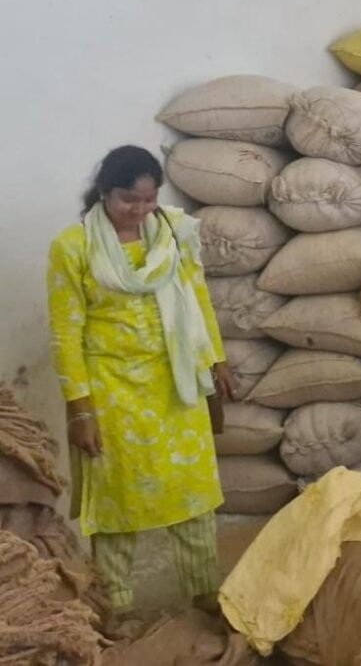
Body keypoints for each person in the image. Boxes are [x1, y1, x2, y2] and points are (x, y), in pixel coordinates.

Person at [47, 145, 235, 615]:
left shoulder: (171, 233)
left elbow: (197, 298)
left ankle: (203, 590)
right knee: (118, 499)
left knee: (193, 490)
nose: (140, 210)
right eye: (129, 199)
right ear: (104, 192)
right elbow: (66, 333)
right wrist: (80, 409)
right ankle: (117, 605)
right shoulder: (73, 247)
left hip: (177, 382)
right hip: (113, 390)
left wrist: (216, 359)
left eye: (149, 200)